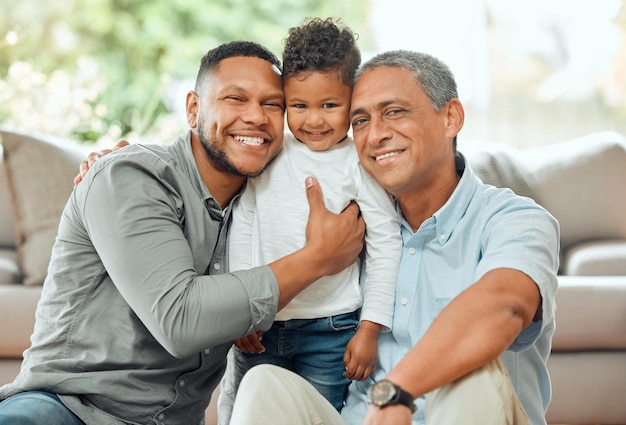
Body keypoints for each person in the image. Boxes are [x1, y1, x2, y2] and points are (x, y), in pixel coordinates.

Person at [0, 41, 365, 425]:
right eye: (235, 98)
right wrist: (316, 258)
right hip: (70, 410)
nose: (255, 117)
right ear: (193, 109)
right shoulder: (129, 178)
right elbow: (181, 320)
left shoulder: (263, 202)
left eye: (272, 104)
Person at [228, 50, 560, 425]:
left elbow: (505, 304)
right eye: (361, 120)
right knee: (263, 382)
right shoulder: (355, 228)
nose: (376, 135)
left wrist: (397, 390)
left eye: (395, 112)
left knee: (475, 375)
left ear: (451, 117)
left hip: (456, 413)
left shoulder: (515, 220)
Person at [217, 17, 401, 423]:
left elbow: (386, 241)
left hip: (330, 330)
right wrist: (241, 308)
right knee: (251, 408)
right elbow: (244, 223)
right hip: (262, 326)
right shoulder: (270, 153)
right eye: (299, 106)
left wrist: (370, 328)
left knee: (315, 415)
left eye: (329, 106)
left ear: (352, 100)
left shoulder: (357, 163)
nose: (313, 121)